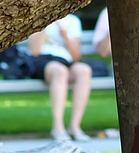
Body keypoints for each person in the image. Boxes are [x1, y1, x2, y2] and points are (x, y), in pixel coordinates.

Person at [28, 13, 95, 141]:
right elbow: (35, 51)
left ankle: (75, 127)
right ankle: (58, 127)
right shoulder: (38, 17)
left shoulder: (72, 21)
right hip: (43, 61)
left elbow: (76, 56)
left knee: (84, 70)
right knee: (60, 71)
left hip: (65, 60)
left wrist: (65, 35)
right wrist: (45, 24)